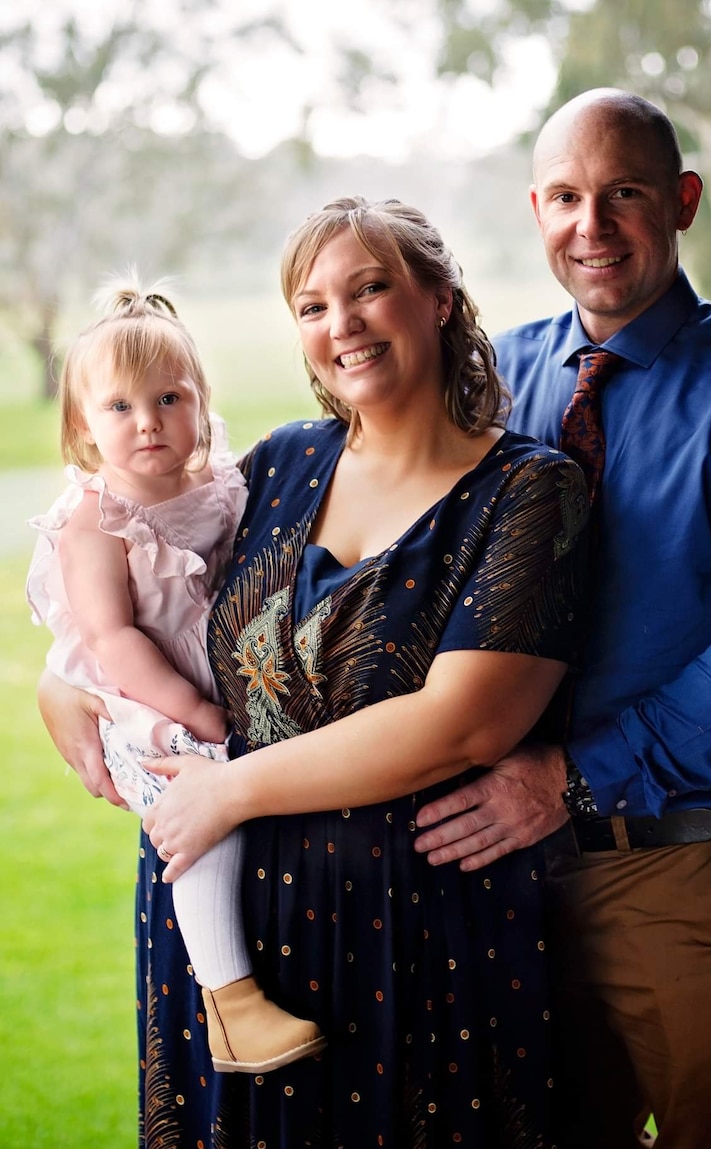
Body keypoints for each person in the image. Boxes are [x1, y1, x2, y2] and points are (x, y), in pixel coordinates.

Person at [39, 198, 590, 1147]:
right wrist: (63, 684)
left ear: (441, 300)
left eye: (370, 289)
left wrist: (230, 790)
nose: (343, 324)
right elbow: (140, 591)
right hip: (223, 932)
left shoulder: (527, 491)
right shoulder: (280, 464)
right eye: (313, 304)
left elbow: (464, 724)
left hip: (413, 932)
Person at [412, 88, 711, 1149]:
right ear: (534, 211)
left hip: (679, 871)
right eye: (565, 196)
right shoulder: (492, 380)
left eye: (624, 194)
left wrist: (567, 778)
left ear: (684, 202)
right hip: (506, 878)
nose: (591, 225)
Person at [26, 279, 325, 1077]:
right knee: (200, 814)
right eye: (118, 407)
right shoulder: (95, 518)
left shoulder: (221, 486)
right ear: (83, 425)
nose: (148, 421)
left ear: (200, 401)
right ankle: (231, 1002)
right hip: (141, 704)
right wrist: (193, 707)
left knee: (232, 795)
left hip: (214, 686)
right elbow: (113, 638)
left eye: (168, 397)